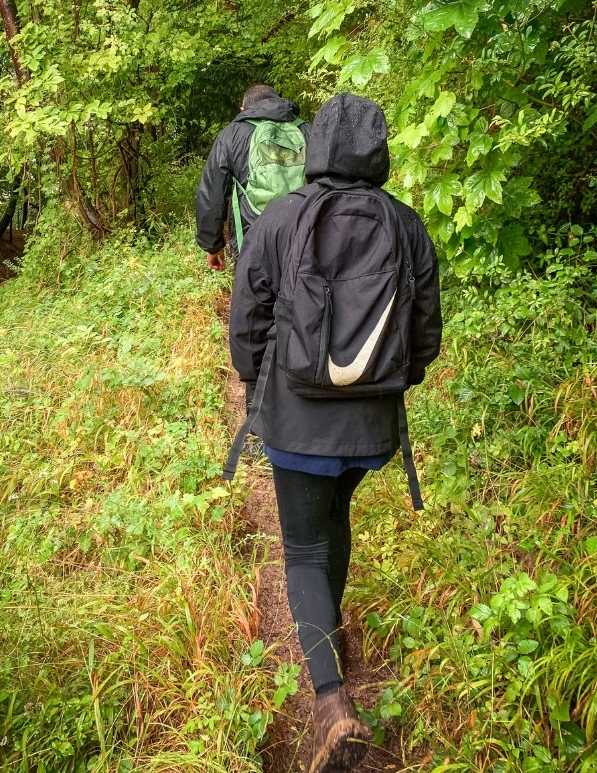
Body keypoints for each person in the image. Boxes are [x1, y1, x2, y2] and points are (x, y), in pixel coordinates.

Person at [228, 93, 442, 773]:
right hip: (370, 424)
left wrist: (256, 381)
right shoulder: (406, 226)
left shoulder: (281, 219)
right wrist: (386, 387)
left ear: (316, 145)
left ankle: (328, 701)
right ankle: (331, 633)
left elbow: (246, 319)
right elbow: (426, 335)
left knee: (302, 548)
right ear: (379, 150)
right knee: (336, 520)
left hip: (295, 418)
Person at [195, 83, 311, 271]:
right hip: (302, 237)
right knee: (300, 293)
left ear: (244, 108)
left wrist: (213, 246)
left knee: (254, 297)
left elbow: (212, 193)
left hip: (252, 238)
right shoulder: (306, 130)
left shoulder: (232, 134)